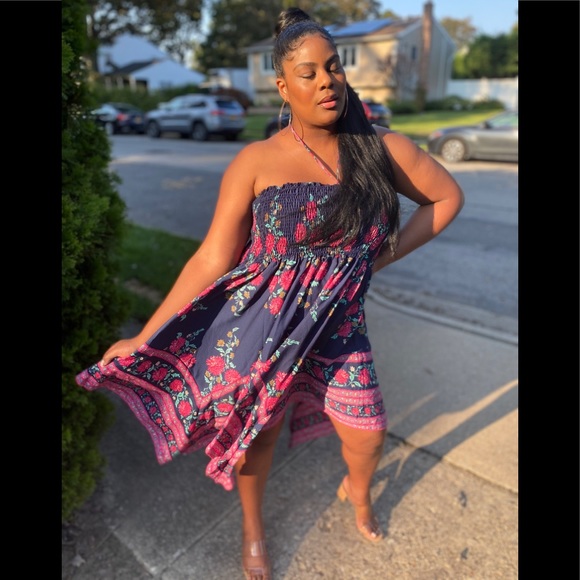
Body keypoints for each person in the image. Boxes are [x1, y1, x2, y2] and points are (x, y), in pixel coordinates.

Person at [76, 7, 464, 580]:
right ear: (283, 87)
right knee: (257, 437)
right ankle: (253, 529)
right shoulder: (255, 161)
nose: (326, 81)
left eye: (334, 67)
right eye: (309, 73)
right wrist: (147, 335)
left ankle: (358, 492)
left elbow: (446, 198)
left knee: (368, 434)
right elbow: (212, 257)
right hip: (260, 327)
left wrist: (377, 258)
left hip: (338, 327)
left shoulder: (382, 149)